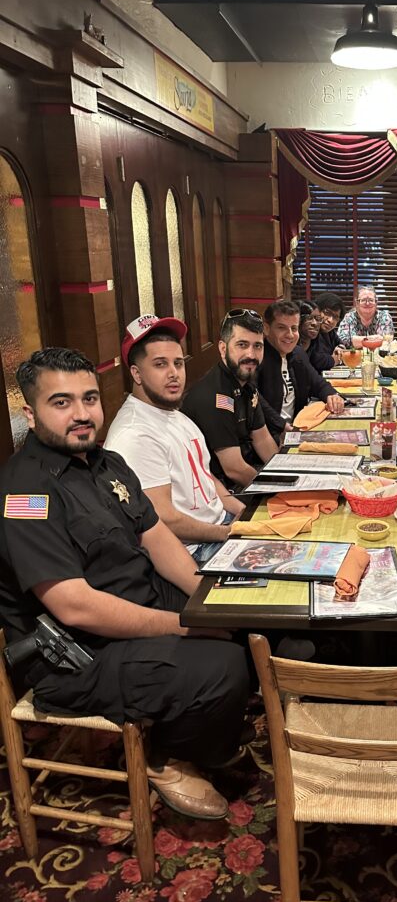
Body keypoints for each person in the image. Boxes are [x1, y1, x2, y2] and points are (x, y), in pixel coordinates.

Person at [0, 348, 251, 820]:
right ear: (30, 414)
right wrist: (184, 625)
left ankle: (203, 727)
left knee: (244, 609)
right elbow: (75, 607)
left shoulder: (107, 462)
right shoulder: (26, 492)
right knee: (223, 665)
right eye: (61, 402)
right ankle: (167, 757)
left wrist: (208, 600)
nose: (81, 413)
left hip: (135, 599)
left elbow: (158, 539)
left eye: (89, 398)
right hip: (74, 652)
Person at [105, 315, 244, 566]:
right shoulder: (134, 434)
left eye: (178, 363)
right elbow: (164, 519)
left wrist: (243, 513)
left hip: (220, 526)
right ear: (136, 373)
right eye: (160, 364)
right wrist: (229, 533)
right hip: (194, 550)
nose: (174, 373)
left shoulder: (174, 414)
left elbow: (205, 478)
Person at [183, 308, 278, 488]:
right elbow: (234, 470)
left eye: (257, 346)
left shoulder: (246, 383)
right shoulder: (215, 396)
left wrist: (286, 475)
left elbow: (262, 439)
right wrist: (278, 490)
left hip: (243, 476)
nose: (251, 355)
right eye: (242, 345)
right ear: (223, 348)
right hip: (219, 490)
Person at [257, 299, 344, 439]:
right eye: (281, 328)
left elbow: (317, 382)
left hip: (297, 429)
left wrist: (332, 395)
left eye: (294, 328)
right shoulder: (257, 358)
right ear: (266, 328)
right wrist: (282, 426)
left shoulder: (298, 354)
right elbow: (256, 403)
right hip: (270, 436)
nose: (290, 335)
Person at [310, 291, 345, 371]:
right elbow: (316, 360)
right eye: (327, 313)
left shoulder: (330, 332)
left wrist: (340, 348)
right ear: (317, 310)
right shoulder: (311, 330)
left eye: (335, 317)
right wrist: (334, 360)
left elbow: (340, 343)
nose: (330, 320)